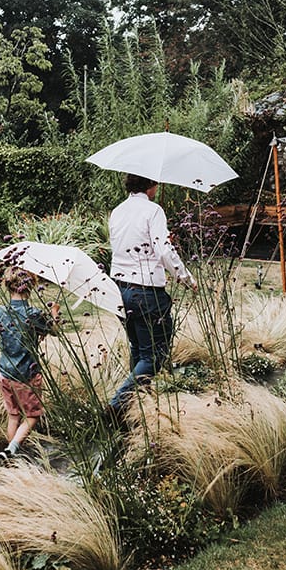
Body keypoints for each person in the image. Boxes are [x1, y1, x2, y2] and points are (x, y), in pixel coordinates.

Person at [108, 174, 197, 413]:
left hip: (119, 288)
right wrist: (186, 277)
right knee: (155, 355)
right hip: (145, 291)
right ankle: (116, 406)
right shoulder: (153, 210)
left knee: (138, 349)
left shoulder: (117, 211)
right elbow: (163, 251)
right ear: (150, 185)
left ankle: (137, 407)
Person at [0, 266, 60, 465]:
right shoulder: (33, 313)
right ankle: (11, 449)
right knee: (32, 416)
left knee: (13, 415)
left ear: (7, 286)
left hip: (5, 371)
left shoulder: (1, 311)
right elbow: (55, 331)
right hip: (26, 374)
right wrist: (54, 313)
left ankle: (10, 458)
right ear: (31, 286)